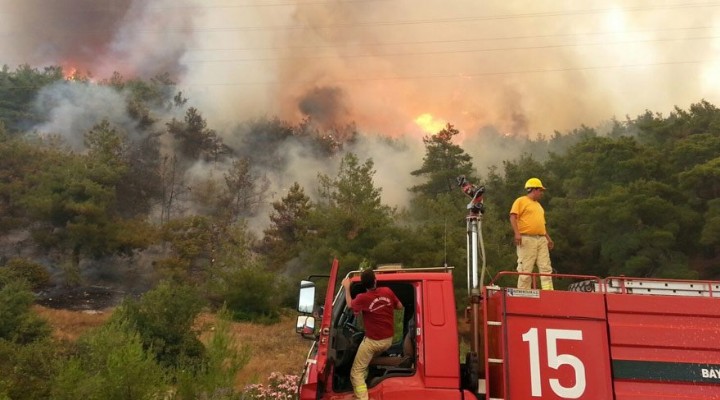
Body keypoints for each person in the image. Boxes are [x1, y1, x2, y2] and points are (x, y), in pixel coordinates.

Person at [342, 269, 403, 400]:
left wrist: (347, 288)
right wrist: (384, 306)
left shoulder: (362, 298)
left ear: (363, 284)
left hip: (373, 342)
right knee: (365, 362)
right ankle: (366, 387)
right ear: (375, 280)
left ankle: (362, 397)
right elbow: (399, 306)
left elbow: (349, 305)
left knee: (356, 372)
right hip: (388, 340)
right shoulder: (387, 291)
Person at [509, 177, 554, 290]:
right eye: (540, 190)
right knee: (526, 269)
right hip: (527, 238)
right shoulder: (521, 201)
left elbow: (541, 225)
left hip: (541, 239)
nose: (541, 193)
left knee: (546, 268)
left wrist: (548, 238)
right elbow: (513, 216)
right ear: (534, 190)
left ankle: (548, 292)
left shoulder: (538, 206)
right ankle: (524, 294)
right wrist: (517, 234)